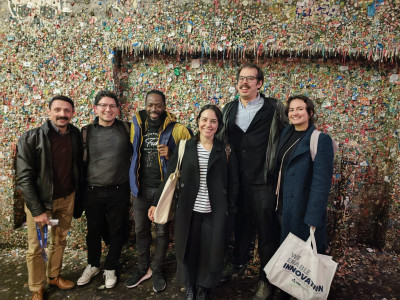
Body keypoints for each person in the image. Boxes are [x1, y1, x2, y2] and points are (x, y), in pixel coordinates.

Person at [149, 104, 239, 300]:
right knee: (187, 250)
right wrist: (156, 202)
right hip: (188, 211)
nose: (208, 124)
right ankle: (190, 285)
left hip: (214, 212)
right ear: (198, 122)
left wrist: (230, 207)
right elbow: (169, 177)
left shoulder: (225, 149)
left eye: (213, 121)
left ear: (219, 125)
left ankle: (204, 287)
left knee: (210, 252)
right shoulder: (185, 146)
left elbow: (234, 181)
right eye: (204, 120)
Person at [218, 62, 288, 300]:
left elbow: (291, 134)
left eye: (250, 78)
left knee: (267, 233)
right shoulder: (227, 110)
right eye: (241, 78)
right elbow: (215, 138)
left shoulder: (275, 108)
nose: (244, 82)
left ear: (259, 84)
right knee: (235, 226)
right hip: (234, 182)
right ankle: (236, 265)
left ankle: (266, 280)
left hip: (263, 181)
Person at [16, 95, 83, 300]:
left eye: (67, 111)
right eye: (58, 110)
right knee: (37, 246)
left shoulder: (75, 135)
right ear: (49, 111)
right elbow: (24, 178)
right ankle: (37, 286)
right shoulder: (31, 138)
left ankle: (54, 276)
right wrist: (37, 210)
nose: (62, 114)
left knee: (59, 240)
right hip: (42, 203)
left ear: (72, 113)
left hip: (67, 200)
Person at [125, 90, 191, 293]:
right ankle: (142, 268)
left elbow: (189, 159)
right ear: (145, 105)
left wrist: (171, 154)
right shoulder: (136, 125)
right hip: (140, 189)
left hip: (163, 191)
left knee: (162, 232)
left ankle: (158, 269)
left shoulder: (177, 129)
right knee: (140, 231)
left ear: (165, 105)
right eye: (150, 105)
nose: (154, 109)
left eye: (158, 105)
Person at [76, 91, 132, 289]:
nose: (107, 109)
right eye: (103, 105)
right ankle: (93, 264)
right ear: (95, 108)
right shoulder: (85, 132)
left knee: (117, 230)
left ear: (117, 109)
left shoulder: (127, 129)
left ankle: (111, 266)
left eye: (112, 106)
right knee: (93, 231)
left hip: (120, 189)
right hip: (93, 191)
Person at [275, 94, 334, 252]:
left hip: (302, 211)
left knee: (300, 260)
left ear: (310, 112)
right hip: (282, 206)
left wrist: (314, 217)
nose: (295, 113)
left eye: (300, 109)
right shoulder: (285, 134)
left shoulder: (321, 140)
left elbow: (321, 183)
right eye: (291, 110)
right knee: (285, 255)